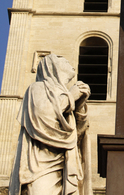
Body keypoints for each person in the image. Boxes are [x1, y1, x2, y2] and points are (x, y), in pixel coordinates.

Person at [9, 54, 92, 195]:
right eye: (62, 60)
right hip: (40, 165)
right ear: (53, 66)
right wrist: (71, 97)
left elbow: (76, 135)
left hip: (66, 161)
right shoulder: (37, 88)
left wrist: (80, 107)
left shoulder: (64, 94)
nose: (68, 61)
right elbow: (43, 117)